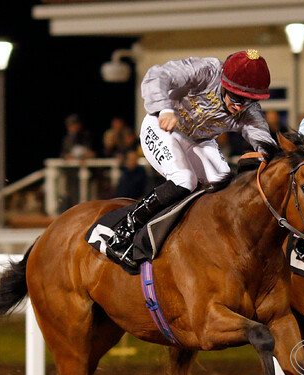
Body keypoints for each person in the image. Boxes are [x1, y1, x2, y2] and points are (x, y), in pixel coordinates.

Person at [105, 49, 277, 267]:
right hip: (161, 126)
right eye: (236, 98)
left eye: (248, 100)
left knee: (223, 182)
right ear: (224, 83)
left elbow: (260, 133)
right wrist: (164, 109)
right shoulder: (207, 70)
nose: (239, 107)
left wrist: (268, 155)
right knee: (185, 179)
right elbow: (157, 74)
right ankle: (125, 230)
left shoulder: (247, 109)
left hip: (198, 141)